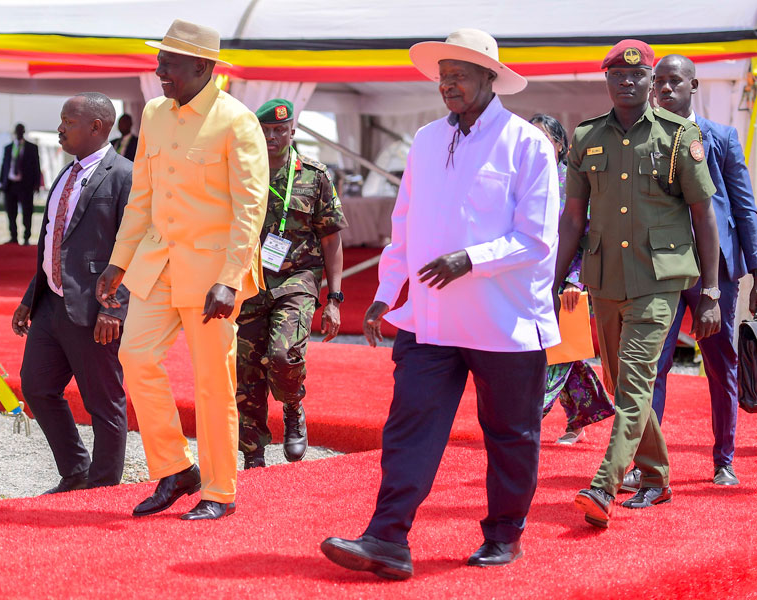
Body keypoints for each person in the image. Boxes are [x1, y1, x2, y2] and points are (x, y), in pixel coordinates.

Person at [321, 29, 560, 578]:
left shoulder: (527, 144)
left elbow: (537, 238)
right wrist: (385, 293)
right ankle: (386, 538)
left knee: (511, 435)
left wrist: (470, 259)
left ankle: (504, 536)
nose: (447, 85)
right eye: (442, 76)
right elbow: (404, 224)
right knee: (409, 427)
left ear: (489, 78)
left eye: (459, 76)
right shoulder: (427, 140)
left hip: (504, 322)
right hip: (429, 320)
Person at [96, 19, 268, 521]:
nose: (159, 71)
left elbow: (250, 209)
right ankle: (176, 468)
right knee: (135, 355)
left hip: (213, 275)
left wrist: (230, 279)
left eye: (168, 63)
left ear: (203, 66)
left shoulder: (237, 121)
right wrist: (118, 261)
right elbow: (142, 196)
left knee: (212, 382)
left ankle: (219, 490)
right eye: (159, 61)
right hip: (158, 263)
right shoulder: (154, 113)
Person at [558, 40, 720, 529]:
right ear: (606, 79)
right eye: (617, 75)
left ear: (651, 81)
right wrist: (552, 281)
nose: (627, 82)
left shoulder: (679, 136)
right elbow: (572, 218)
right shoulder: (586, 137)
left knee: (633, 383)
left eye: (637, 75)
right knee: (618, 382)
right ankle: (656, 476)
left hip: (658, 280)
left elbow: (704, 215)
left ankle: (604, 484)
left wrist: (711, 292)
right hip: (604, 278)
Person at [620, 54, 757, 489]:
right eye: (658, 81)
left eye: (674, 81)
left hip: (714, 274)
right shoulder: (639, 138)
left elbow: (744, 208)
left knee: (720, 365)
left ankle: (724, 460)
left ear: (693, 86)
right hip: (658, 271)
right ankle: (647, 465)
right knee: (652, 366)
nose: (663, 88)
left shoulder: (722, 138)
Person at [12, 92, 132, 494]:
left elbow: (135, 246)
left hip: (97, 309)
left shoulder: (124, 176)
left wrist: (115, 308)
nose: (60, 128)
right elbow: (54, 242)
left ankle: (102, 487)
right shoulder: (66, 174)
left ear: (96, 127)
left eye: (69, 121)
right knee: (37, 386)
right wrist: (30, 297)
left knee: (103, 401)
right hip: (51, 305)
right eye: (61, 120)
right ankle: (77, 470)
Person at [236, 98, 348, 469]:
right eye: (265, 130)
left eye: (280, 130)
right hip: (248, 280)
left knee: (283, 356)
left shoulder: (314, 176)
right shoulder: (239, 171)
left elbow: (331, 238)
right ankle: (253, 455)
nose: (272, 137)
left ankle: (293, 405)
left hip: (296, 280)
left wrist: (334, 299)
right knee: (245, 370)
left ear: (292, 131)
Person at [530, 114, 614, 445]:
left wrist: (575, 281)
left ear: (561, 146)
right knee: (558, 351)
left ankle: (528, 417)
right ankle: (582, 415)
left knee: (555, 352)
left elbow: (588, 237)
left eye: (543, 139)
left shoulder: (573, 182)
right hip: (531, 281)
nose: (535, 145)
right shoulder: (522, 181)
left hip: (568, 283)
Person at [0, 123, 42, 245]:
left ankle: (26, 237)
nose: (19, 133)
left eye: (21, 131)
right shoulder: (8, 148)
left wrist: (37, 183)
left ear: (23, 132)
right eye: (17, 131)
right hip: (10, 184)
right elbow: (4, 166)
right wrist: (1, 183)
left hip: (25, 185)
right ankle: (13, 236)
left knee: (27, 211)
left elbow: (36, 166)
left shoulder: (31, 148)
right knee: (10, 212)